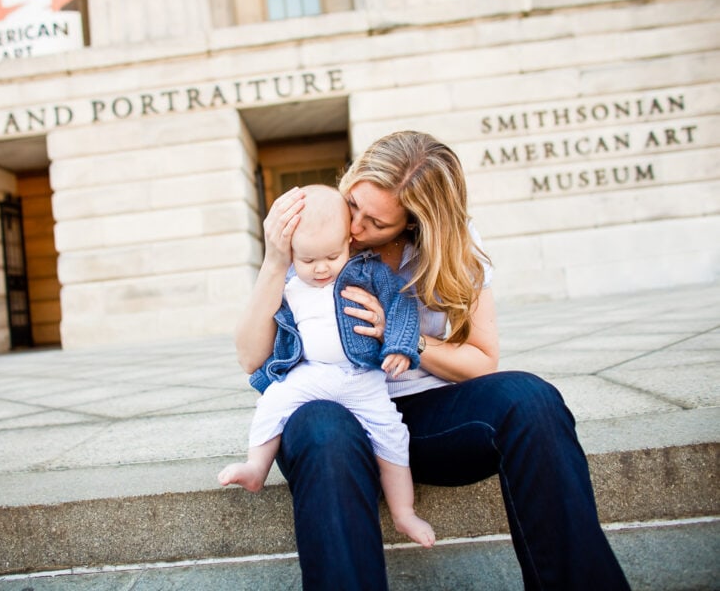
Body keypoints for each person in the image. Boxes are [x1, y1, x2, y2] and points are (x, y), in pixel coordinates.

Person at [236, 131, 630, 590]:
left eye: (377, 222)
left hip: (422, 421)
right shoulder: (318, 228)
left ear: (414, 224)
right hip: (331, 416)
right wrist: (274, 261)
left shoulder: (453, 244)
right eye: (354, 205)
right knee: (323, 428)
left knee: (531, 399)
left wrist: (404, 338)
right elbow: (250, 358)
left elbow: (483, 360)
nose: (357, 227)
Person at [218, 184, 435, 548]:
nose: (320, 268)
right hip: (311, 375)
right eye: (307, 261)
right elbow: (257, 347)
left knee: (392, 435)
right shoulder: (286, 285)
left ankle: (404, 512)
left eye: (332, 256)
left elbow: (401, 306)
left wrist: (399, 345)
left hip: (362, 377)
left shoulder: (368, 273)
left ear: (348, 243)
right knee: (273, 402)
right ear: (291, 255)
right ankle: (256, 467)